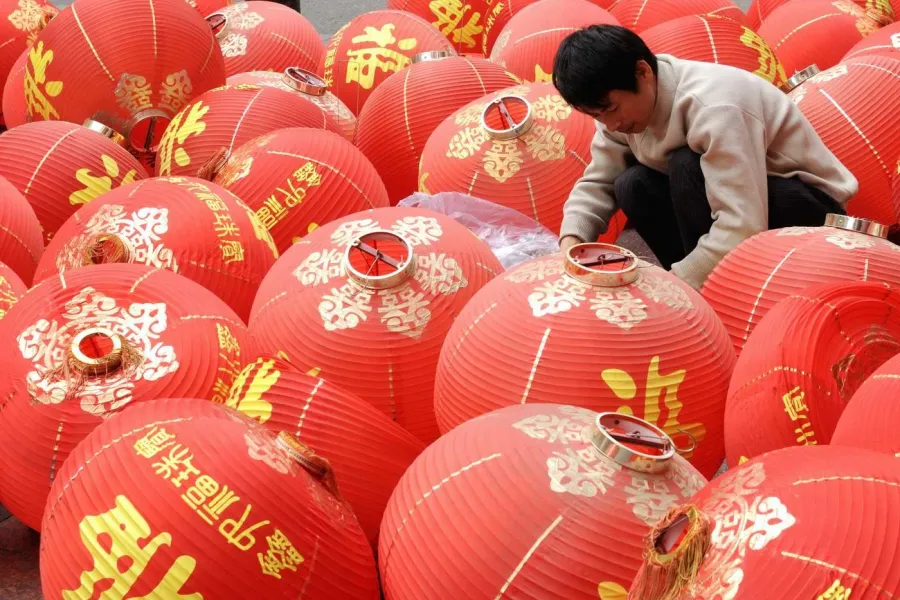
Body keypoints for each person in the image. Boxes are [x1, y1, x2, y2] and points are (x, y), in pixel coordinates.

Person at [553, 24, 858, 290]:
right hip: (731, 201)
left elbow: (743, 222)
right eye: (595, 115)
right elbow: (598, 182)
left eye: (610, 109)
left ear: (643, 72)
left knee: (685, 164)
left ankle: (705, 286)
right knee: (632, 184)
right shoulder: (617, 115)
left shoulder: (714, 105)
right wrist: (572, 242)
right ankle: (698, 281)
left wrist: (674, 284)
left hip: (803, 206)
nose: (610, 124)